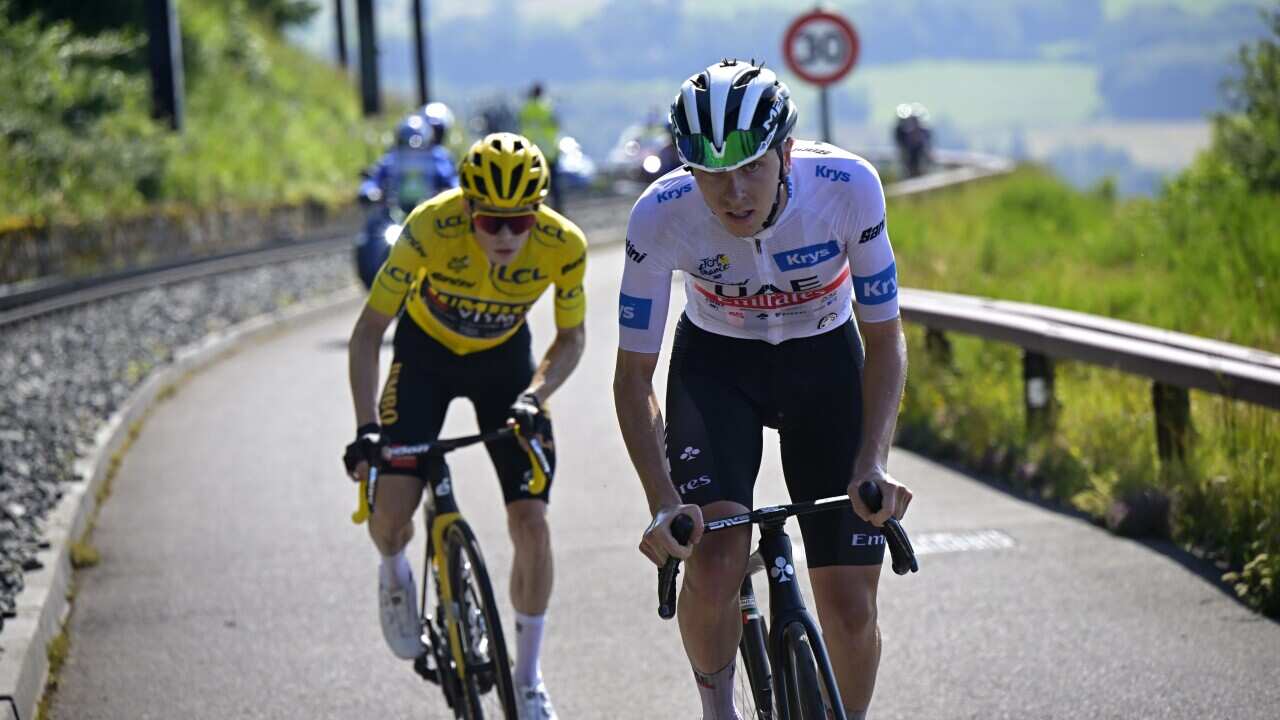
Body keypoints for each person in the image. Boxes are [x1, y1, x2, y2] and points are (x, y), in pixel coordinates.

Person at [613, 59, 911, 720]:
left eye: (751, 166)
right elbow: (634, 377)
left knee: (851, 606)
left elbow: (885, 337)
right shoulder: (660, 215)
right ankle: (717, 709)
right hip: (718, 368)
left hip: (824, 361)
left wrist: (874, 462)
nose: (734, 192)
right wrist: (663, 504)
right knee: (714, 562)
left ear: (785, 153)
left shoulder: (847, 187)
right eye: (712, 173)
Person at [344, 132, 588, 720]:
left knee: (532, 522)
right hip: (424, 356)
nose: (506, 235)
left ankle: (527, 679)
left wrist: (537, 395)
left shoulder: (563, 245)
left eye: (520, 220)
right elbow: (368, 332)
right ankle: (395, 571)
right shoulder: (430, 226)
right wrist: (366, 428)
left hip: (504, 366)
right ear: (467, 208)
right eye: (491, 221)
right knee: (391, 514)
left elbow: (572, 337)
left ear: (540, 212)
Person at [519, 82, 563, 210]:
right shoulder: (547, 107)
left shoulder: (525, 109)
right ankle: (558, 209)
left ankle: (532, 208)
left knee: (532, 184)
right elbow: (555, 125)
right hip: (549, 152)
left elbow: (522, 126)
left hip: (532, 152)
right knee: (553, 185)